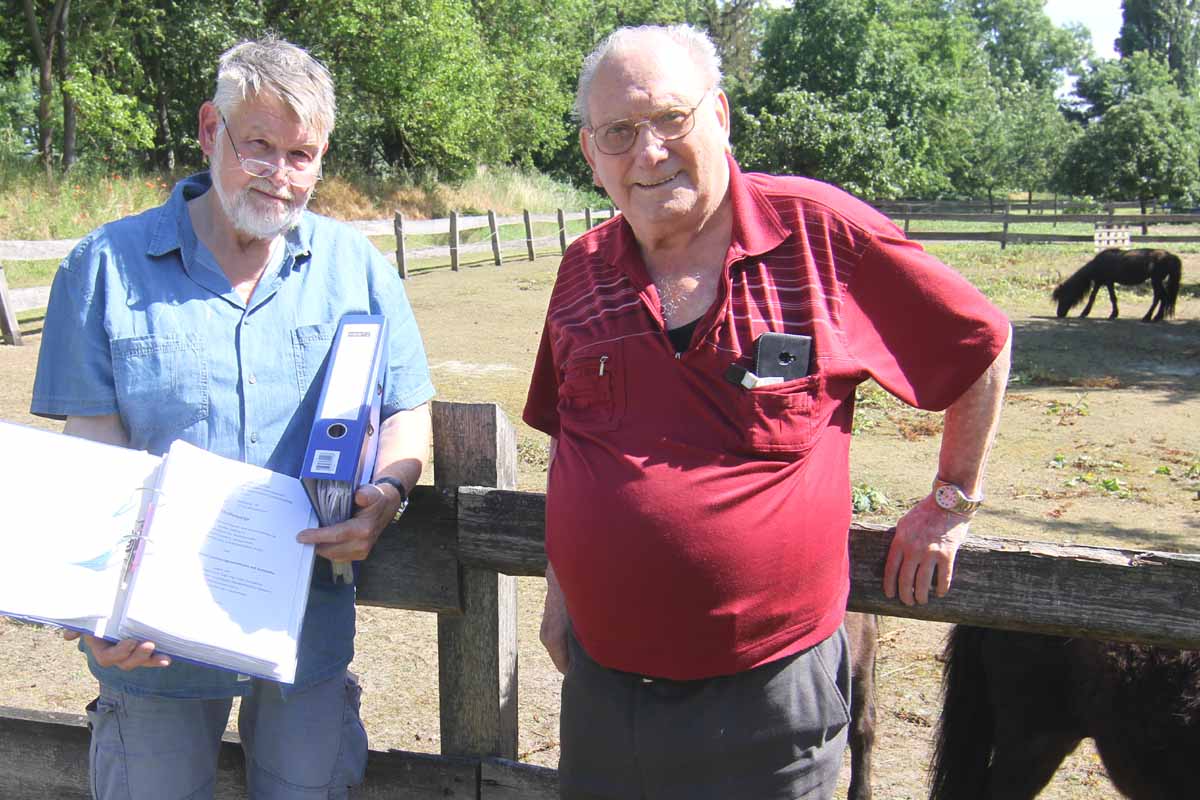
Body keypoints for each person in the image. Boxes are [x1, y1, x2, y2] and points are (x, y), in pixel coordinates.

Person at [523, 24, 1011, 800]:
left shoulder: (821, 232)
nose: (647, 153)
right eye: (619, 132)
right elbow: (573, 436)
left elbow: (981, 344)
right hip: (605, 691)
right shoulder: (583, 271)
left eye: (670, 119)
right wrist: (559, 583)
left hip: (770, 697)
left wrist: (952, 499)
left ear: (719, 115)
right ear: (591, 153)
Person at [31, 37, 434, 799]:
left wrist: (388, 495)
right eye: (259, 147)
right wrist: (95, 608)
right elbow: (93, 455)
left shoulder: (360, 270)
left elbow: (406, 409)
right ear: (212, 130)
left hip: (305, 634)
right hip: (152, 642)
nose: (281, 176)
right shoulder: (104, 268)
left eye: (303, 156)